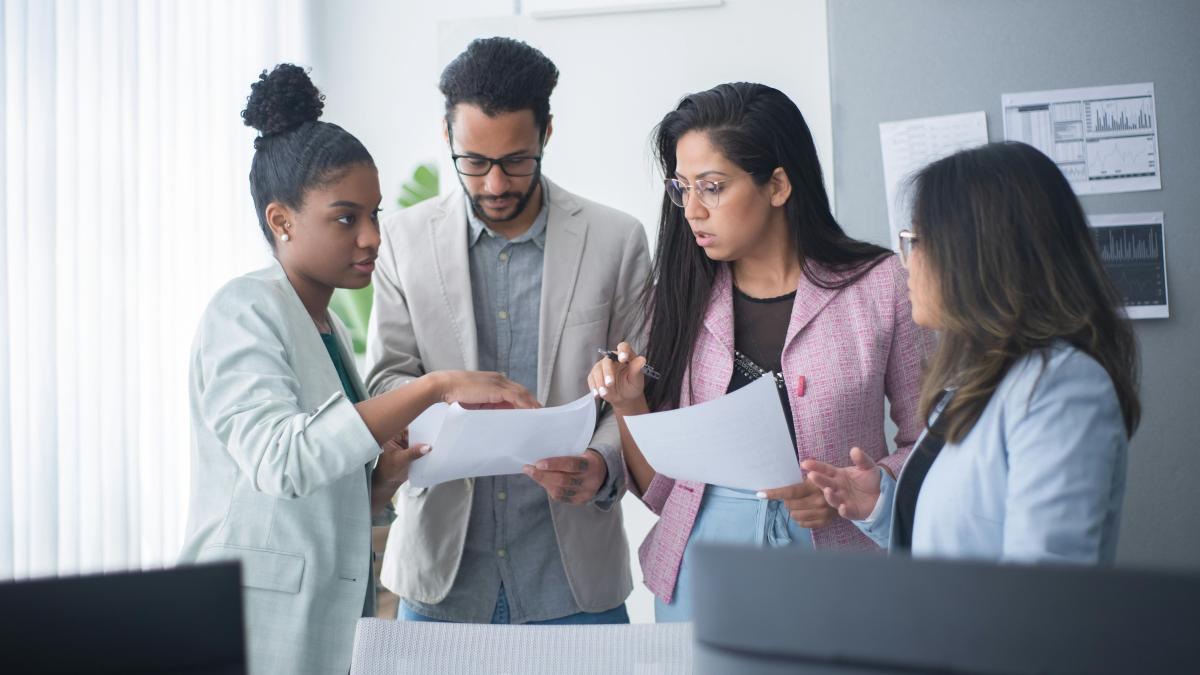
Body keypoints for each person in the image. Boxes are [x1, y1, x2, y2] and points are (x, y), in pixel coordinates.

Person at [178, 64, 537, 675]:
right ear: (281, 220)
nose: (373, 236)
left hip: (325, 617)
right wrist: (437, 385)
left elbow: (318, 480)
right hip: (249, 623)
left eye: (374, 213)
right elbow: (283, 461)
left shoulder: (328, 327)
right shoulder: (243, 310)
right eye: (347, 218)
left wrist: (378, 484)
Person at [588, 82, 930, 622]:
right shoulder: (677, 297)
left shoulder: (880, 284)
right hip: (700, 570)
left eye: (713, 187)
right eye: (682, 189)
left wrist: (866, 491)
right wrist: (630, 407)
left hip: (841, 569)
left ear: (777, 185)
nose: (692, 211)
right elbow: (661, 493)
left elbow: (932, 441)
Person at [368, 38, 651, 625]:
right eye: (474, 162)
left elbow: (640, 388)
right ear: (446, 136)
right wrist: (443, 391)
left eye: (516, 161)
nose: (495, 184)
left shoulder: (615, 240)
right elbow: (387, 379)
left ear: (547, 133)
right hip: (441, 576)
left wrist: (600, 465)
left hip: (573, 579)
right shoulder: (401, 239)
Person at [804, 141, 1140, 563]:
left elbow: (1044, 589)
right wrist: (883, 506)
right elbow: (961, 542)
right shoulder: (980, 378)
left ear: (977, 254)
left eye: (916, 240)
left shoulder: (1063, 387)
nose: (906, 263)